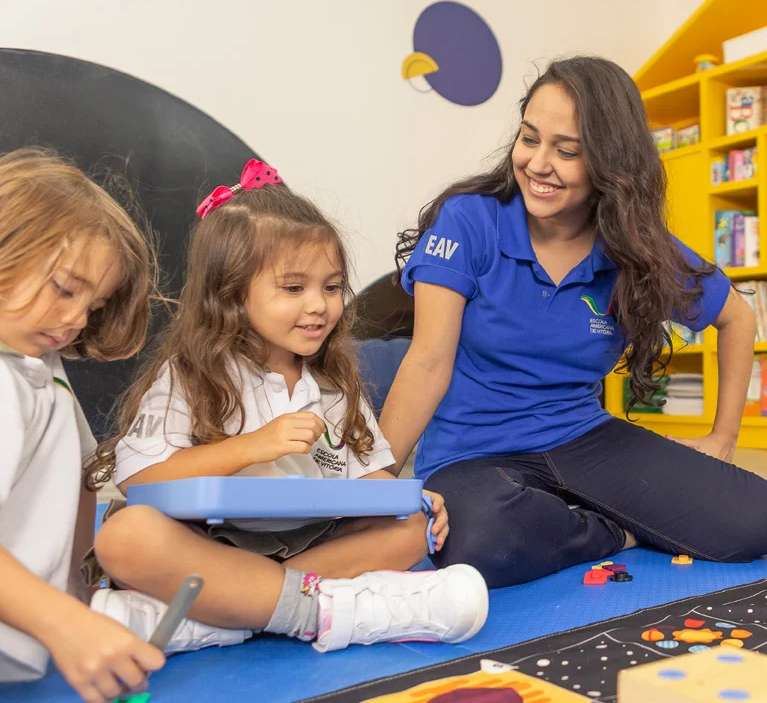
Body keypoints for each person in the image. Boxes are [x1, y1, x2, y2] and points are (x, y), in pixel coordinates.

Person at [379, 56, 767, 588]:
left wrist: (723, 436)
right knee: (477, 544)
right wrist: (378, 485)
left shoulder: (635, 248)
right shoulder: (468, 219)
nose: (537, 163)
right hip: (473, 453)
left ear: (611, 165)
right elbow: (428, 362)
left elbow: (737, 316)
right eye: (530, 139)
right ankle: (613, 531)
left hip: (585, 440)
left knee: (761, 519)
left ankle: (571, 518)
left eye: (567, 150)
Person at [88, 161, 489, 657]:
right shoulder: (191, 372)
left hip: (314, 542)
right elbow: (141, 480)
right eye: (294, 288)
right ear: (232, 294)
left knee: (412, 531)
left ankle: (227, 616)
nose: (319, 305)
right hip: (216, 543)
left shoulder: (335, 380)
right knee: (124, 535)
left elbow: (367, 476)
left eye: (332, 286)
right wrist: (253, 447)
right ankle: (324, 609)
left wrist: (415, 500)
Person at [0, 148, 162, 703]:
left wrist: (79, 595)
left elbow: (79, 482)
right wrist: (63, 622)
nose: (74, 320)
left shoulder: (40, 369)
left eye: (93, 306)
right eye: (66, 289)